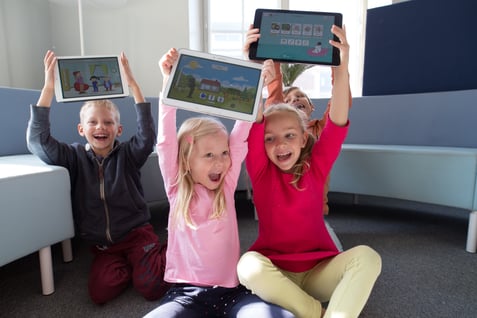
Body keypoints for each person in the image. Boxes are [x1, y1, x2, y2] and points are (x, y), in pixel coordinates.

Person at [237, 25, 382, 318]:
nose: (280, 145)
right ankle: (314, 313)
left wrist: (341, 67)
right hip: (275, 271)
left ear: (304, 139)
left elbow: (337, 119)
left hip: (319, 271)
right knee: (246, 266)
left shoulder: (315, 166)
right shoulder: (261, 171)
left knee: (368, 257)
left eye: (290, 135)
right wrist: (251, 68)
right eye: (270, 138)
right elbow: (252, 120)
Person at [143, 48, 294, 318]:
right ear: (187, 162)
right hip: (185, 294)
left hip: (233, 292)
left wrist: (258, 85)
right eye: (209, 155)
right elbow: (165, 141)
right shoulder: (177, 186)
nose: (220, 163)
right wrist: (167, 82)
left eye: (224, 154)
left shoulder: (226, 183)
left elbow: (242, 129)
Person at [26, 50, 169, 305]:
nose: (100, 127)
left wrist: (134, 85)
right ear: (81, 130)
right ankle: (136, 265)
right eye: (92, 123)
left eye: (108, 123)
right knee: (100, 293)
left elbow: (147, 137)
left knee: (152, 288)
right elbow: (39, 142)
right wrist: (49, 88)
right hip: (103, 245)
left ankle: (161, 250)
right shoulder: (74, 156)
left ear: (118, 129)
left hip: (136, 234)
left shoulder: (128, 154)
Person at [244, 24, 352, 215]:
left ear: (312, 107)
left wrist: (340, 69)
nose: (294, 99)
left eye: (300, 96)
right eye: (288, 100)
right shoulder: (272, 129)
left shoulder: (318, 133)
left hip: (315, 209)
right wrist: (259, 58)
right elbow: (273, 94)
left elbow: (339, 109)